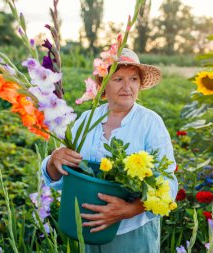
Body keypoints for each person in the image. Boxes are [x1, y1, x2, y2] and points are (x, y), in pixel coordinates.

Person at [41, 48, 178, 253]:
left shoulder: (150, 123)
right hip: (88, 230)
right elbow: (62, 178)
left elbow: (167, 183)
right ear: (103, 85)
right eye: (118, 78)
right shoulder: (86, 120)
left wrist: (129, 210)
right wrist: (53, 160)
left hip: (132, 233)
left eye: (133, 79)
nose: (127, 87)